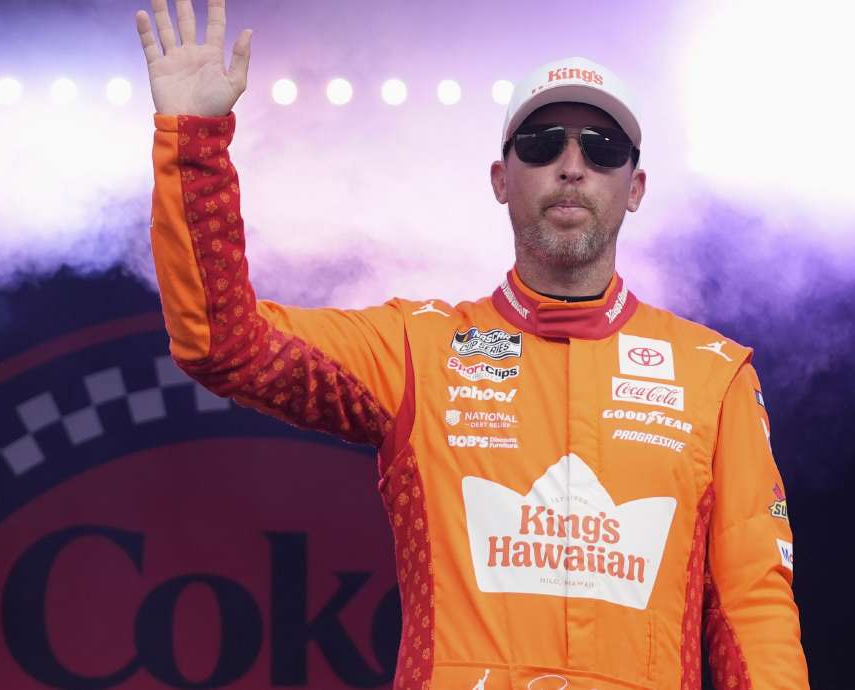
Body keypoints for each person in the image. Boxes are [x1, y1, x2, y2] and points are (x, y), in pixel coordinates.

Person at [135, 0, 808, 688]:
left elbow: (753, 611)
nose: (571, 166)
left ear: (634, 188)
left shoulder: (714, 377)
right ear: (501, 179)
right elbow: (225, 343)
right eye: (543, 144)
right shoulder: (416, 349)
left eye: (601, 149)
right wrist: (195, 142)